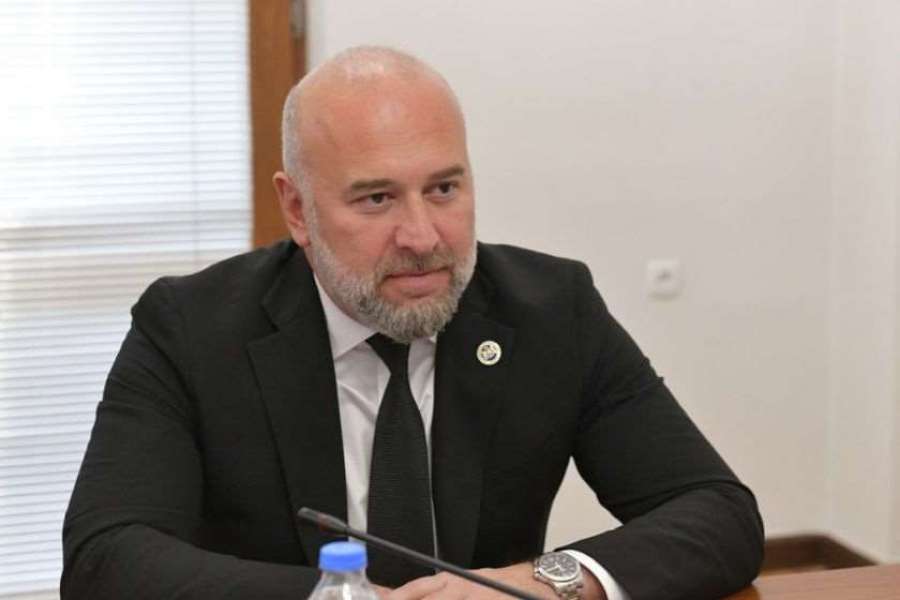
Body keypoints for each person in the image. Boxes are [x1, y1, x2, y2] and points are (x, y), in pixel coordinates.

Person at [61, 46, 763, 600]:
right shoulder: (189, 328)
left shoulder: (552, 310)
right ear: (299, 209)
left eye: (444, 188)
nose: (423, 237)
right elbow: (105, 556)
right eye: (376, 199)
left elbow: (718, 513)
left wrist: (539, 585)